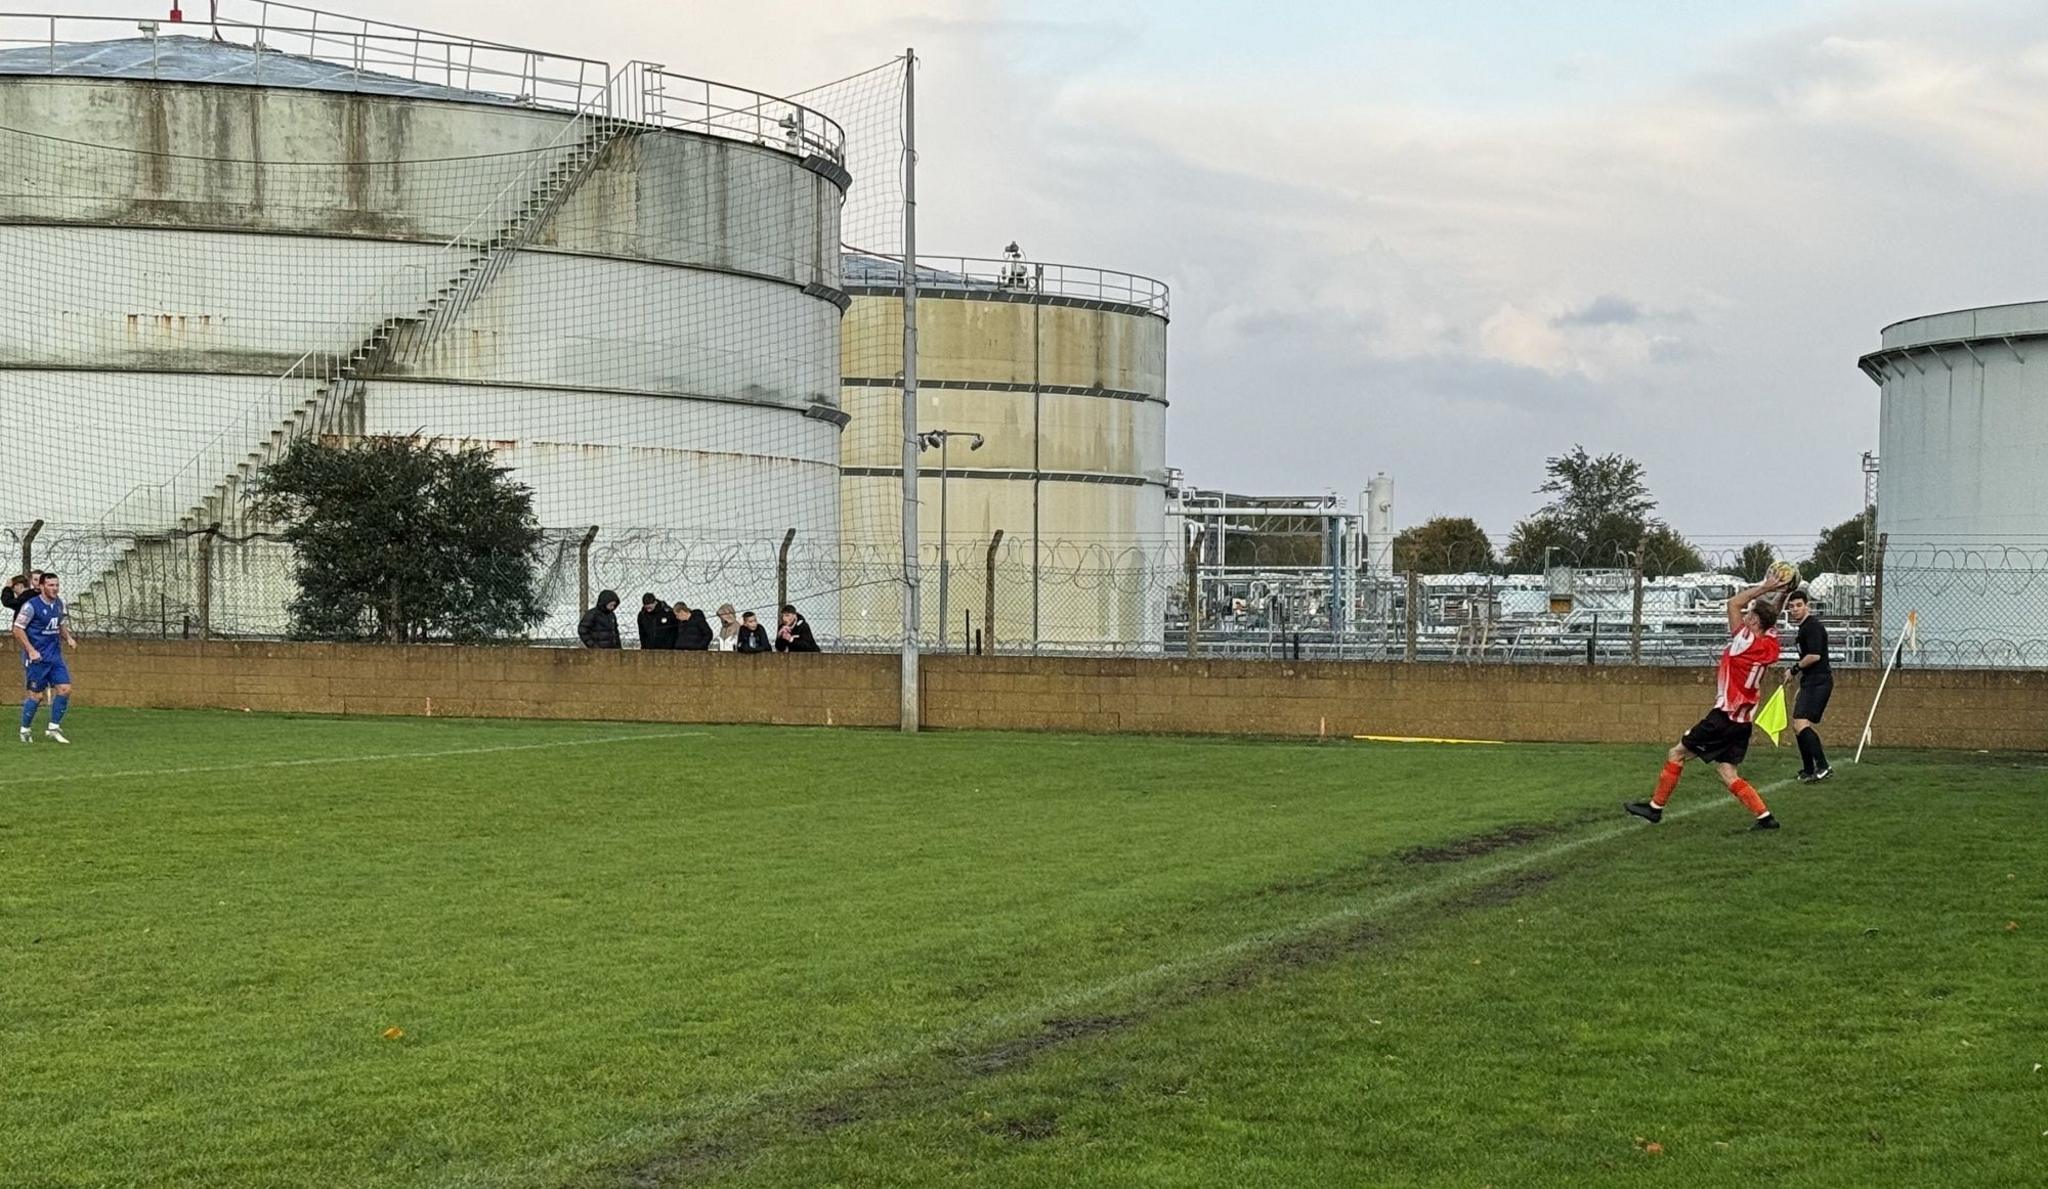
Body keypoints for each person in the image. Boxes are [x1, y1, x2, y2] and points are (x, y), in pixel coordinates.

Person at [1626, 569, 1792, 830]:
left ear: (1754, 623)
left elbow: (1733, 603)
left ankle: (1655, 808)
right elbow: (1770, 618)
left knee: (1677, 753)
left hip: (1723, 717)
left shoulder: (1744, 641)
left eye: (1749, 614)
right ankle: (1765, 817)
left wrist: (1765, 586)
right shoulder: (1770, 644)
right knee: (1728, 772)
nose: (1744, 615)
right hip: (1743, 722)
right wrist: (1782, 593)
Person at [13, 571, 76, 744]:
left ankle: (53, 728)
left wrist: (68, 638)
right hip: (37, 659)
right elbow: (17, 629)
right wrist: (31, 650)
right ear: (41, 586)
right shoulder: (31, 606)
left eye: (56, 585)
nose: (55, 588)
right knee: (36, 696)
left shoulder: (58, 604)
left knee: (65, 689)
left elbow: (60, 623)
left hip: (54, 656)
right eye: (50, 585)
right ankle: (25, 730)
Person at [1782, 589, 1834, 783]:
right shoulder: (1803, 628)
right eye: (1792, 606)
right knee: (1797, 725)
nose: (1795, 609)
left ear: (1807, 606)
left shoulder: (1812, 627)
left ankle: (1823, 766)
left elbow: (1814, 655)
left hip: (1820, 681)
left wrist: (1793, 670)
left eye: (1799, 605)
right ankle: (1808, 769)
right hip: (1810, 681)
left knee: (1801, 723)